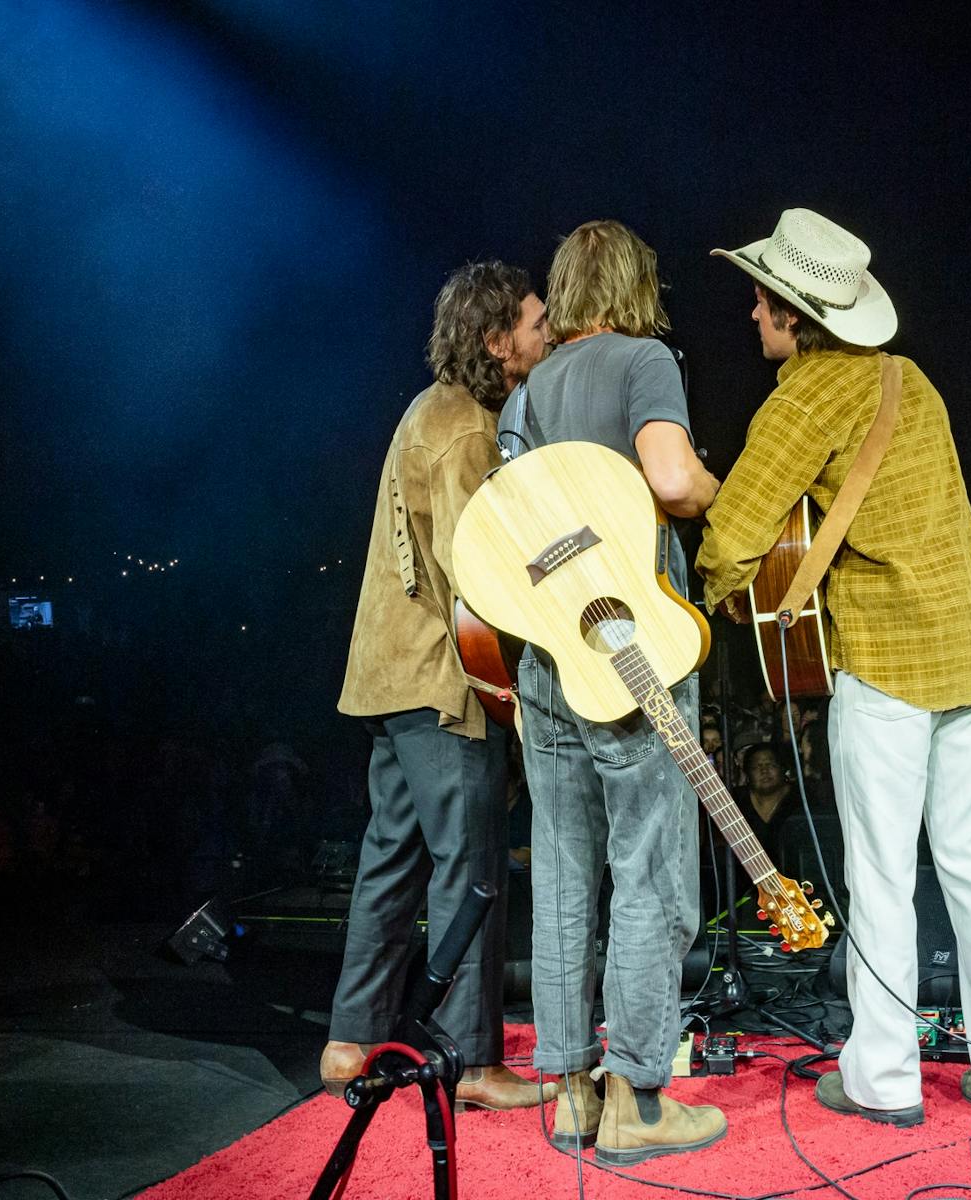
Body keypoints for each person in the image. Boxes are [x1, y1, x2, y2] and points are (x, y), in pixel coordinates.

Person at [697, 208, 971, 1128]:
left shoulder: (805, 396)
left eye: (760, 300)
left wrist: (710, 600)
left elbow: (733, 533)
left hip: (888, 663)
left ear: (790, 312)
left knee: (883, 877)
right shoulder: (910, 379)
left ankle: (884, 1080)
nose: (752, 316)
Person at [505, 219, 726, 1165]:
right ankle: (639, 1098)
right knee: (649, 870)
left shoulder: (528, 389)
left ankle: (569, 1094)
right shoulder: (645, 359)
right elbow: (673, 480)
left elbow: (505, 520)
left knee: (561, 875)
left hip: (545, 656)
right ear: (637, 286)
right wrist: (720, 490)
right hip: (631, 651)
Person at [323, 261, 555, 1111]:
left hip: (389, 675)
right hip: (441, 681)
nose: (545, 330)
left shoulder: (432, 411)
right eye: (534, 322)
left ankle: (351, 1038)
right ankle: (473, 1061)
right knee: (474, 868)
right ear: (496, 341)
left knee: (392, 857)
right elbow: (478, 576)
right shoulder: (464, 429)